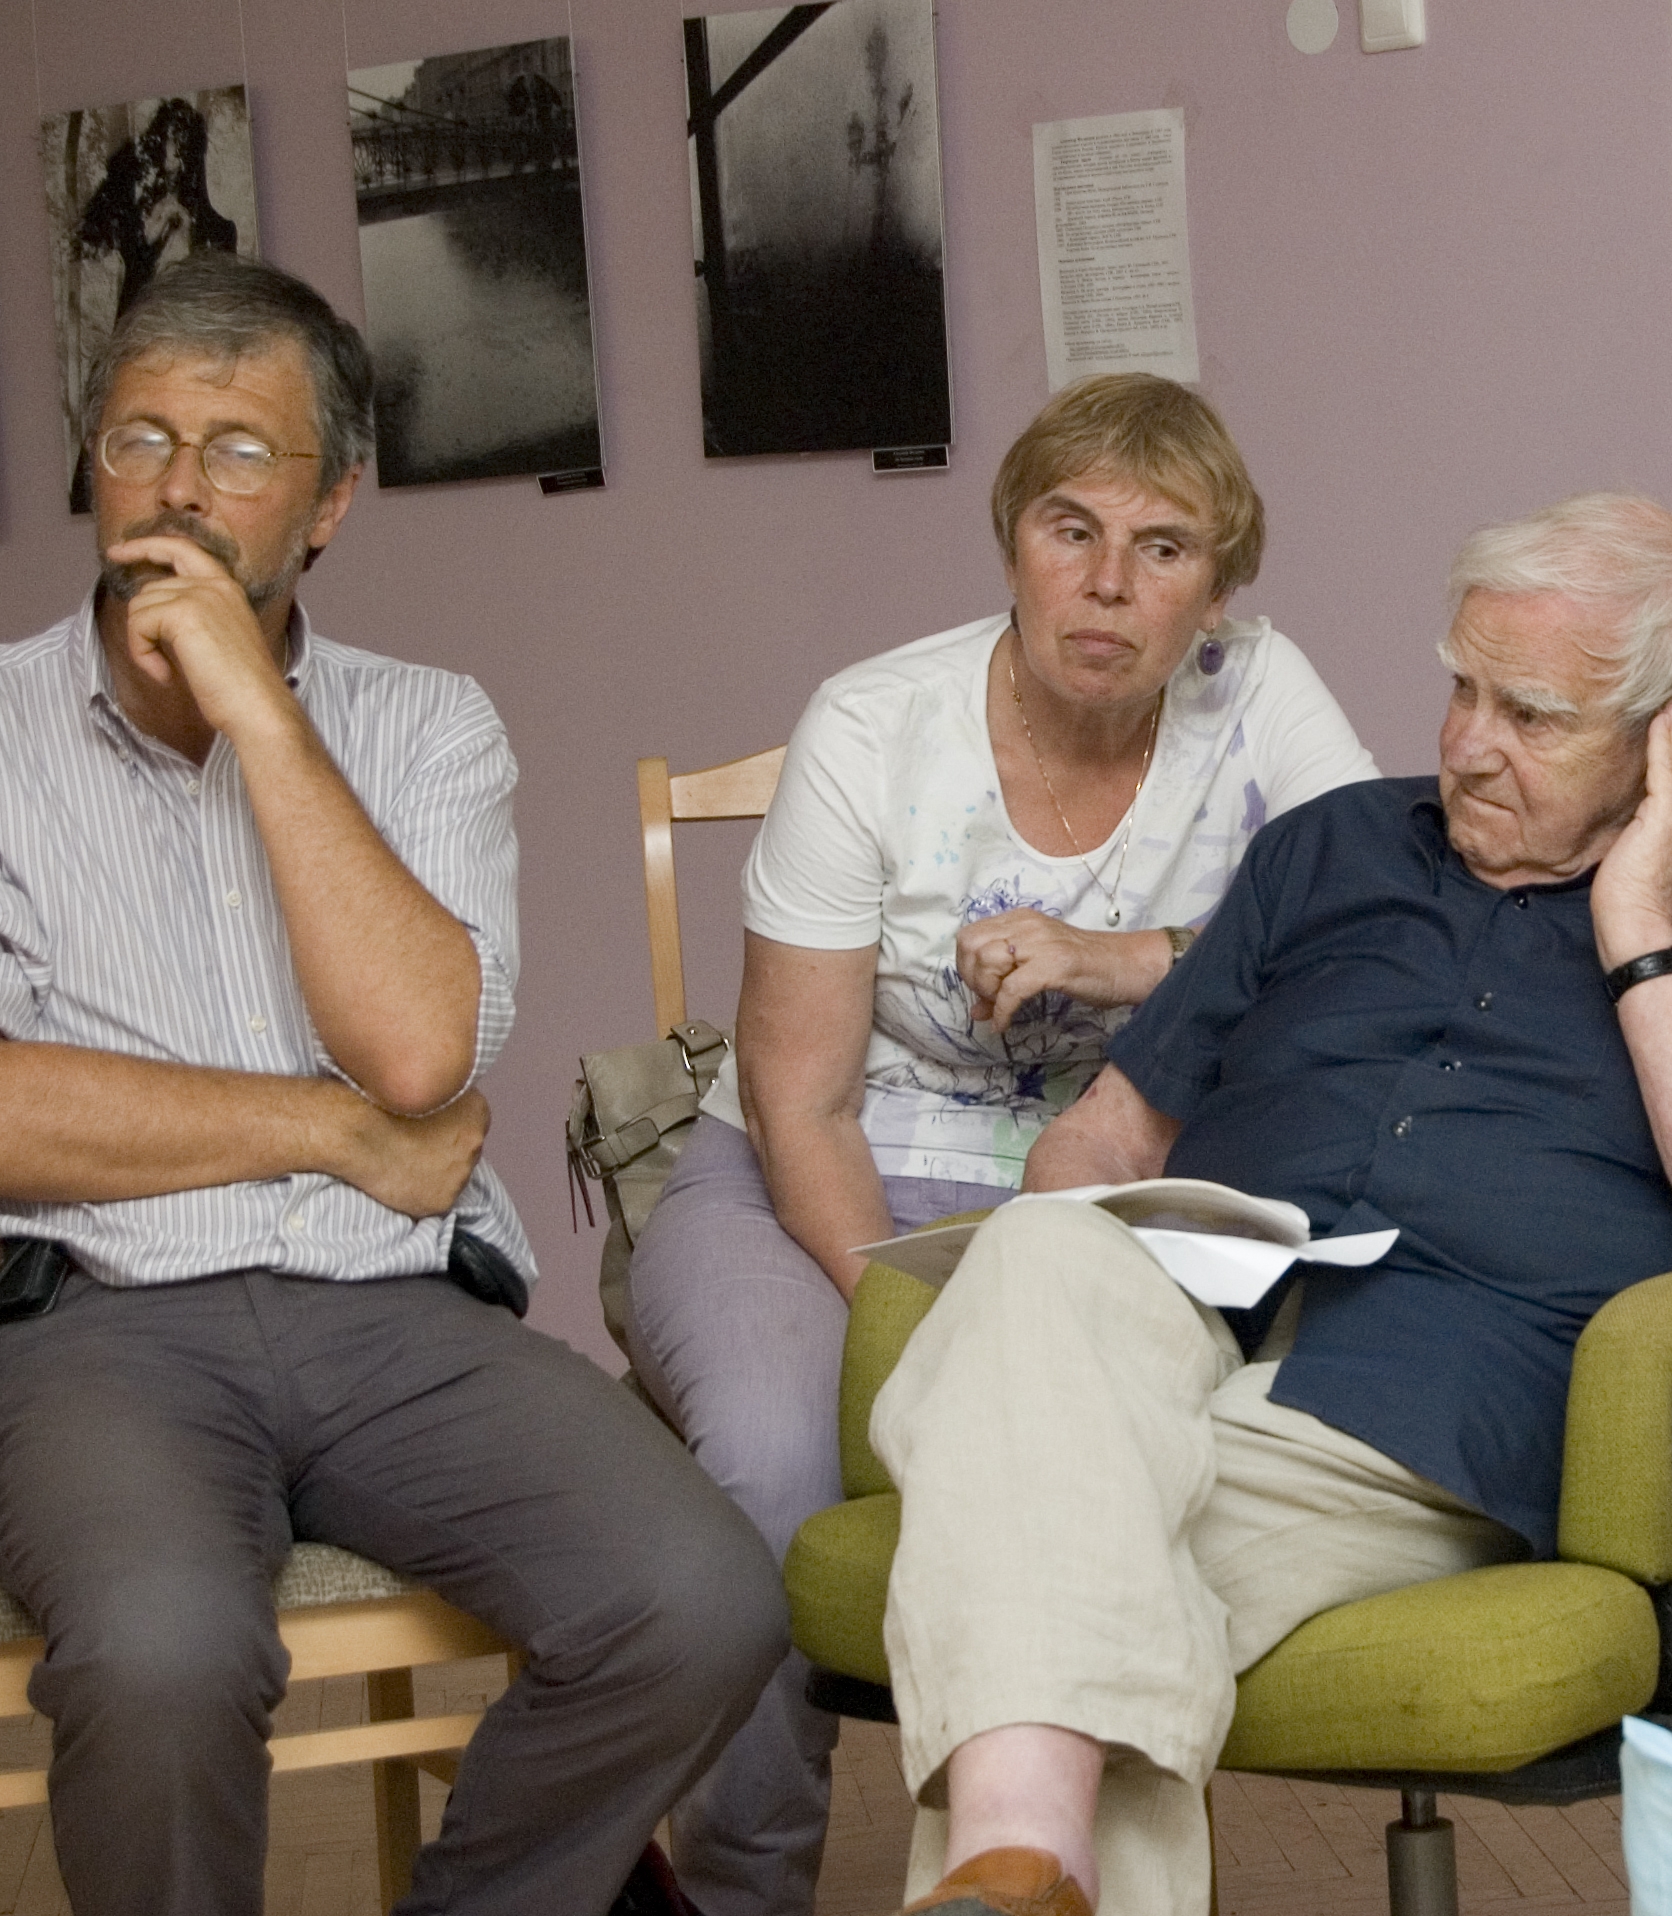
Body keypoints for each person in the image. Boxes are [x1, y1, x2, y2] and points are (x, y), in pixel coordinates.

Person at [0, 252, 785, 1916]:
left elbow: (417, 1052)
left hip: (397, 1316)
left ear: (330, 500)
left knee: (702, 1599)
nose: (178, 489)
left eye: (238, 451)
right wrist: (338, 1132)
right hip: (84, 1330)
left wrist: (262, 715)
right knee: (164, 1650)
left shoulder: (428, 727)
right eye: (139, 440)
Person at [870, 492, 1672, 1916]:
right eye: (1464, 687)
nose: (1469, 744)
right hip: (1183, 1314)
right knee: (1044, 1250)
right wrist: (1036, 1337)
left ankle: (1015, 1859)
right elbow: (1103, 1141)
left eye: (1531, 715)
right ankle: (1023, 1872)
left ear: (1668, 737)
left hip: (1441, 1401)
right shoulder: (1330, 850)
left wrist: (1638, 931)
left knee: (1041, 1560)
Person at [621, 371, 1377, 1916]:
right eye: (1069, 529)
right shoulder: (873, 723)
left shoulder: (1261, 694)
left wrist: (1129, 960)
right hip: (814, 1179)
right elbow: (800, 1099)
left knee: (1153, 1461)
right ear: (1012, 540)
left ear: (1218, 592)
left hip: (1118, 1189)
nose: (1107, 583)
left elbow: (1380, 938)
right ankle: (741, 1889)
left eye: (1164, 548)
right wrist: (916, 1333)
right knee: (775, 1462)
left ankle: (1058, 1866)